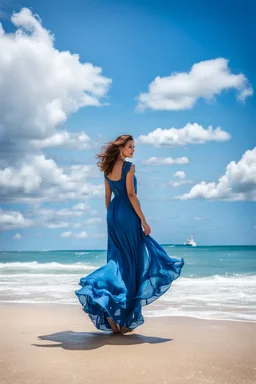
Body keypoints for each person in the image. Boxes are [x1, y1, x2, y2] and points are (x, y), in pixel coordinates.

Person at [75, 134, 184, 334]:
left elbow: (107, 198)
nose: (133, 150)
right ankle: (121, 316)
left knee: (117, 261)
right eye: (131, 146)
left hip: (113, 215)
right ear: (121, 148)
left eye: (134, 147)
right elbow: (131, 195)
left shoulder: (107, 169)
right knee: (132, 263)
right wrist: (142, 219)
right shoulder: (128, 167)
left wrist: (112, 219)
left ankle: (111, 310)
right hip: (128, 214)